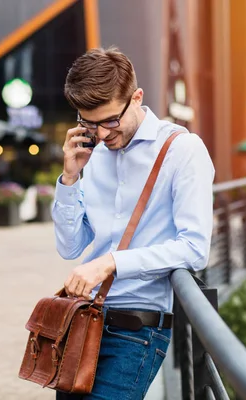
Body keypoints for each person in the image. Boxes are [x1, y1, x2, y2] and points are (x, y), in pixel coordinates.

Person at [53, 47, 215, 399]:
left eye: (110, 120)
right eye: (89, 123)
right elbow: (70, 247)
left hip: (136, 330)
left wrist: (111, 263)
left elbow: (195, 249)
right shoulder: (91, 153)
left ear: (136, 98)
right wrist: (69, 179)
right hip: (82, 322)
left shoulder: (181, 150)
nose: (102, 134)